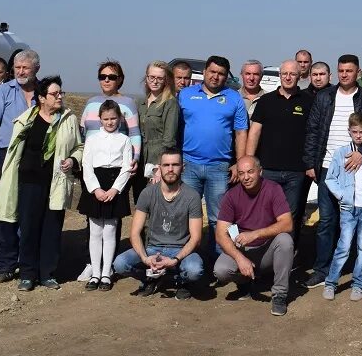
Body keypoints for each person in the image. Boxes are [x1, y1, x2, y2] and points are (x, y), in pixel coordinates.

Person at [0, 76, 82, 291]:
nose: (60, 97)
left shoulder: (68, 119)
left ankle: (47, 273)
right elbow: (15, 153)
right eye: (54, 94)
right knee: (29, 229)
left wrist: (72, 160)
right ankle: (27, 273)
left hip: (56, 183)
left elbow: (79, 147)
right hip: (28, 184)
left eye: (61, 93)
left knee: (51, 229)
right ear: (42, 98)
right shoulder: (26, 120)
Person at [303, 55, 362, 288]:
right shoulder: (324, 97)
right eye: (341, 70)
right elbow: (313, 130)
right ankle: (322, 269)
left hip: (360, 168)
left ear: (358, 72)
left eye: (349, 70)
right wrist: (311, 163)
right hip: (329, 168)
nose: (344, 74)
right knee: (327, 221)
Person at [177, 56, 248, 264]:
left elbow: (241, 132)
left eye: (221, 74)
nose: (216, 77)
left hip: (220, 167)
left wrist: (239, 162)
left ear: (226, 77)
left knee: (219, 218)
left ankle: (217, 261)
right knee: (187, 215)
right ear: (205, 72)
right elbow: (176, 128)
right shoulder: (185, 95)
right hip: (188, 164)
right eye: (212, 72)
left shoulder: (233, 98)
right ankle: (188, 260)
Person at [112, 147, 206, 302]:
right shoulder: (148, 193)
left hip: (181, 250)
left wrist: (175, 259)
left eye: (175, 165)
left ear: (183, 167)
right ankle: (151, 278)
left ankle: (180, 281)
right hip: (152, 249)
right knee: (120, 264)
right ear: (159, 167)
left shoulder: (192, 196)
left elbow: (196, 238)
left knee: (194, 270)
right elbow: (135, 232)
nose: (170, 169)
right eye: (166, 165)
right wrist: (144, 258)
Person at [0, 49, 40, 283]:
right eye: (17, 67)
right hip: (5, 154)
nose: (21, 71)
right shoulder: (3, 92)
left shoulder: (44, 92)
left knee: (29, 210)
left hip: (35, 157)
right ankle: (5, 264)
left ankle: (28, 263)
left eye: (26, 67)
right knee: (5, 210)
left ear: (36, 68)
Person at [214, 156, 295, 315]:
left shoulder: (273, 189)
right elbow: (220, 233)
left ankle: (279, 294)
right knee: (221, 270)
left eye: (250, 172)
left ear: (260, 171)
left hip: (266, 249)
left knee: (285, 240)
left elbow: (287, 223)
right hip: (243, 249)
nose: (246, 177)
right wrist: (239, 258)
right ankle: (244, 283)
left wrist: (255, 234)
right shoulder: (231, 195)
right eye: (242, 173)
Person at [322, 113, 362, 301]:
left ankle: (358, 284)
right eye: (355, 132)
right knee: (343, 247)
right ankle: (331, 283)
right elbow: (330, 178)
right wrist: (342, 195)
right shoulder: (341, 153)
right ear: (349, 131)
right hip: (349, 208)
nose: (358, 135)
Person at [247, 59, 312, 221]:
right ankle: (265, 246)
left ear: (299, 76)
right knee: (265, 213)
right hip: (268, 169)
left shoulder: (309, 101)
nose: (288, 77)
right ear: (279, 75)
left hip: (296, 171)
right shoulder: (266, 101)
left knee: (290, 217)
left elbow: (313, 134)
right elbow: (254, 132)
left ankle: (287, 246)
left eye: (292, 74)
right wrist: (249, 161)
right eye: (285, 74)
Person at [79, 100, 134, 291]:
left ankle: (106, 273)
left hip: (115, 185)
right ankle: (95, 273)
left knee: (110, 230)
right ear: (100, 120)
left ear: (119, 118)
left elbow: (127, 167)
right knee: (95, 231)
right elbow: (86, 165)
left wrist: (114, 189)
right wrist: (95, 189)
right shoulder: (92, 139)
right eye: (106, 119)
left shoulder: (125, 140)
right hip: (96, 184)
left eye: (113, 118)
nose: (110, 122)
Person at [81, 60, 142, 168]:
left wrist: (135, 158)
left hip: (117, 164)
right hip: (90, 164)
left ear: (120, 79)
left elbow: (134, 134)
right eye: (102, 76)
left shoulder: (128, 103)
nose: (106, 80)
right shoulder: (90, 102)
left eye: (112, 77)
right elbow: (82, 133)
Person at [134, 60, 178, 201]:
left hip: (156, 162)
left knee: (155, 203)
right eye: (151, 77)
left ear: (166, 80)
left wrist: (159, 167)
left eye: (159, 78)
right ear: (146, 78)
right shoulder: (140, 103)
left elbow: (169, 139)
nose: (155, 81)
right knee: (140, 202)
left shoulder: (170, 103)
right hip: (139, 161)